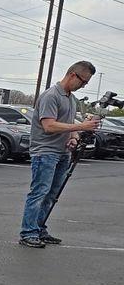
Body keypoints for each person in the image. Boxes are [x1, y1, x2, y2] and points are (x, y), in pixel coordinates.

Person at [19, 61, 101, 248]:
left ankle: (39, 229)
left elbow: (68, 122)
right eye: (83, 81)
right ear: (73, 75)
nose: (83, 86)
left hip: (62, 152)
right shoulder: (51, 96)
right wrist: (82, 126)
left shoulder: (71, 98)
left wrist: (74, 136)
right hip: (45, 152)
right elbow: (49, 126)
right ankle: (28, 232)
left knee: (51, 195)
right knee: (39, 193)